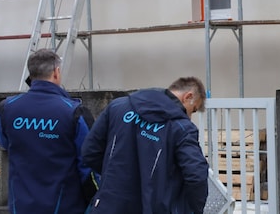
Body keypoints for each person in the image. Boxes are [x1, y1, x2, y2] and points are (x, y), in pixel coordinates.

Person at [82, 76, 209, 214]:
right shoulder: (181, 128)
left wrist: (115, 175)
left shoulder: (117, 107)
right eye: (193, 109)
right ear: (188, 96)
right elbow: (196, 175)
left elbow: (90, 151)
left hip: (109, 205)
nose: (190, 117)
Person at [0, 49, 97, 214]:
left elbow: (5, 142)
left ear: (32, 74)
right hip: (63, 205)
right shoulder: (73, 112)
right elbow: (89, 165)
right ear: (56, 73)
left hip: (21, 205)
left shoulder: (7, 108)